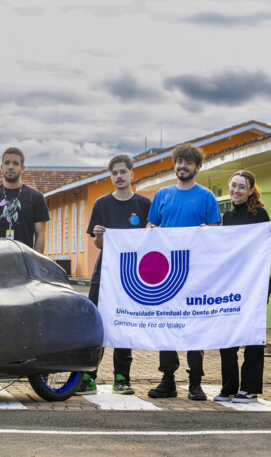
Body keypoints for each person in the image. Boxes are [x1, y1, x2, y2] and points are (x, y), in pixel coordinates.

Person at [146, 143, 221, 401]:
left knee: (193, 328)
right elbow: (151, 226)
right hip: (166, 274)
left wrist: (207, 232)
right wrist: (150, 231)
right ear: (174, 164)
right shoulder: (162, 195)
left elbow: (215, 234)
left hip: (196, 274)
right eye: (179, 162)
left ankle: (195, 383)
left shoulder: (207, 197)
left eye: (188, 163)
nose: (182, 166)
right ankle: (168, 380)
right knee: (166, 327)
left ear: (197, 167)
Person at [75, 154, 151, 396]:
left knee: (125, 322)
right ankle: (89, 376)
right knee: (97, 323)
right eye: (114, 173)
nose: (118, 177)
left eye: (122, 172)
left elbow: (150, 241)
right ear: (111, 177)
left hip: (131, 273)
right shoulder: (101, 204)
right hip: (104, 271)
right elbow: (98, 245)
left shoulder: (143, 205)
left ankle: (122, 378)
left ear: (132, 173)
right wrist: (98, 235)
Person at [214, 170, 270, 404]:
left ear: (250, 191)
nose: (236, 190)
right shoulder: (226, 217)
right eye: (233, 186)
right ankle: (228, 388)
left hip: (255, 283)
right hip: (232, 284)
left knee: (253, 337)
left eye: (241, 187)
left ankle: (249, 389)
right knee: (227, 338)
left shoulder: (260, 214)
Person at [0, 147, 49, 251]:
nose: (10, 167)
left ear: (22, 168)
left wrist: (36, 265)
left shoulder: (36, 197)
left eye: (15, 163)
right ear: (1, 167)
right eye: (7, 163)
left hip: (24, 262)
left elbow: (40, 236)